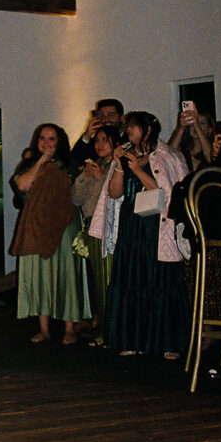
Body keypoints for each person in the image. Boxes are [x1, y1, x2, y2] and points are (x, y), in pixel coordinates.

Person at [102, 111, 189, 359]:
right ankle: (132, 339)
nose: (128, 130)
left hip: (156, 227)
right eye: (127, 126)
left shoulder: (165, 156)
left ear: (148, 129)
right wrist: (120, 166)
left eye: (133, 126)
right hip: (132, 225)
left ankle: (168, 342)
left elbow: (163, 191)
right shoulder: (127, 154)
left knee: (160, 281)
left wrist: (136, 168)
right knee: (132, 279)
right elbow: (115, 193)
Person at [10, 123, 83, 345]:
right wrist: (41, 161)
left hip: (63, 226)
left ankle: (69, 328)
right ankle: (44, 329)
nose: (47, 143)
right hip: (36, 227)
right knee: (40, 276)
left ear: (59, 141)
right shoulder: (29, 165)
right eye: (43, 138)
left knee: (66, 274)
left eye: (52, 139)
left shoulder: (68, 166)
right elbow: (22, 185)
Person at [71, 125, 120, 345]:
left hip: (110, 227)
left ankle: (113, 330)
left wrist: (101, 178)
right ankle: (104, 328)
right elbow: (77, 199)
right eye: (97, 140)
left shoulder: (118, 166)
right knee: (97, 282)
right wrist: (84, 177)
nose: (99, 145)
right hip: (91, 226)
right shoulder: (94, 164)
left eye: (105, 140)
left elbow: (115, 196)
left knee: (110, 281)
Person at [71, 98, 124, 170]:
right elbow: (72, 162)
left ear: (121, 118)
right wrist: (87, 135)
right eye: (102, 116)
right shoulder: (94, 143)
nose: (105, 120)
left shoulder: (129, 141)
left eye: (111, 115)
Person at [168, 105, 216, 173]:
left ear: (210, 129)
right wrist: (181, 128)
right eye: (192, 123)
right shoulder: (183, 150)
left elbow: (210, 158)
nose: (195, 126)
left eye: (202, 123)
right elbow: (167, 156)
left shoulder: (215, 149)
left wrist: (197, 125)